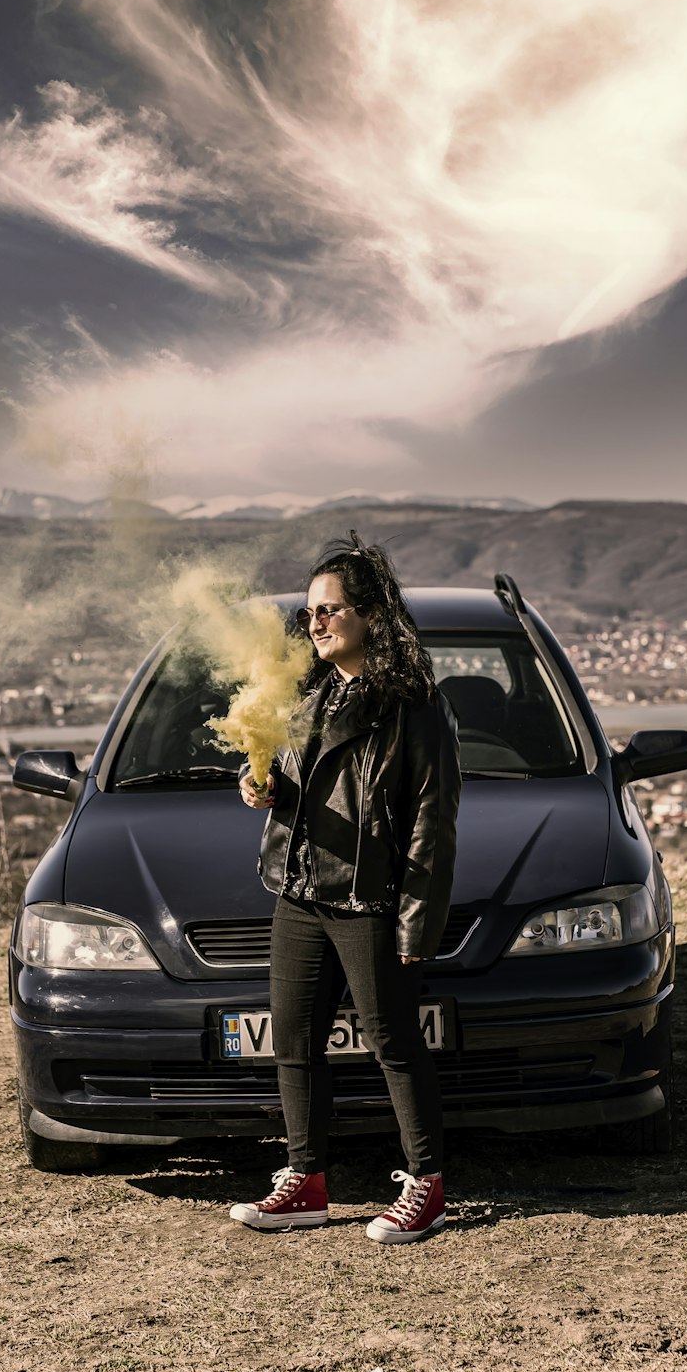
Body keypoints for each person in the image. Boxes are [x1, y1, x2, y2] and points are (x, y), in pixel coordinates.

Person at [230, 530, 462, 1243]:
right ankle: (306, 1182)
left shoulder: (412, 706)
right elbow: (299, 783)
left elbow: (432, 824)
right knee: (294, 1042)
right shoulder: (313, 695)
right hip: (301, 892)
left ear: (369, 615)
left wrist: (416, 926)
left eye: (329, 610)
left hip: (371, 901)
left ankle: (427, 1186)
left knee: (393, 1041)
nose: (316, 623)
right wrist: (258, 786)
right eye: (309, 614)